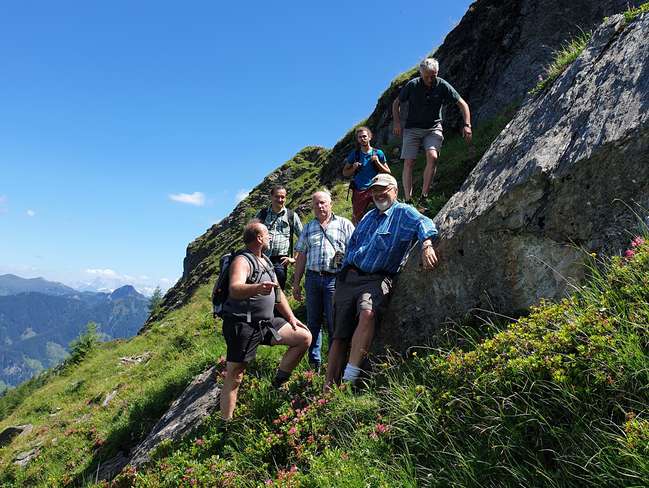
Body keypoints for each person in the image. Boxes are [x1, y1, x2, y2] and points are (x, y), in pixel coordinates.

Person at [325, 174, 439, 388]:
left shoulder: (403, 212)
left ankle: (348, 380)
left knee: (367, 314)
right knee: (339, 334)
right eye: (375, 190)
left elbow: (424, 222)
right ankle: (327, 389)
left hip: (377, 278)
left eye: (383, 189)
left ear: (395, 191)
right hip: (348, 277)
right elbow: (353, 244)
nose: (378, 194)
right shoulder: (368, 216)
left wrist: (427, 245)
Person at [220, 221, 311, 421]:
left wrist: (291, 317)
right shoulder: (242, 261)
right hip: (242, 324)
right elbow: (235, 288)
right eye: (267, 234)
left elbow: (278, 294)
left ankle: (277, 383)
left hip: (266, 324)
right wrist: (257, 288)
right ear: (259, 238)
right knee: (236, 373)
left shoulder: (267, 261)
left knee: (303, 337)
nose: (270, 237)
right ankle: (225, 422)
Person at [392, 57, 472, 205]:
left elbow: (462, 104)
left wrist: (467, 125)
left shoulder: (442, 85)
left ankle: (424, 197)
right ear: (421, 74)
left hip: (433, 128)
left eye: (433, 76)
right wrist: (397, 122)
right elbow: (396, 102)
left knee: (433, 157)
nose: (430, 79)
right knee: (409, 161)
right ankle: (408, 200)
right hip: (412, 128)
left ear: (437, 73)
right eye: (427, 76)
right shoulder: (412, 85)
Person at [292, 190, 355, 371]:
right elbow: (301, 256)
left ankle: (334, 362)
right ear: (313, 207)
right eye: (316, 204)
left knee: (334, 321)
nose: (320, 206)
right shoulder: (308, 227)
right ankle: (315, 363)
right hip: (312, 279)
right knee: (313, 321)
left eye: (323, 203)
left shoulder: (344, 224)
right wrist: (296, 283)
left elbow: (354, 250)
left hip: (335, 279)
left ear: (330, 204)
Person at [255, 185, 303, 289]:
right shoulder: (262, 214)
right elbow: (251, 235)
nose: (280, 199)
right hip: (261, 259)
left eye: (283, 197)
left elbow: (303, 238)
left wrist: (294, 258)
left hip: (281, 261)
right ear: (271, 197)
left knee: (278, 293)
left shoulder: (291, 215)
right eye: (277, 196)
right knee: (261, 292)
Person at [342, 126, 391, 224]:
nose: (362, 139)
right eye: (360, 137)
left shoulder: (378, 153)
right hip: (360, 190)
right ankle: (356, 236)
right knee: (357, 217)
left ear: (370, 137)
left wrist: (377, 162)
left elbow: (388, 172)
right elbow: (345, 173)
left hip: (376, 188)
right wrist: (354, 168)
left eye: (364, 136)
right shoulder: (355, 154)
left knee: (386, 211)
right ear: (358, 140)